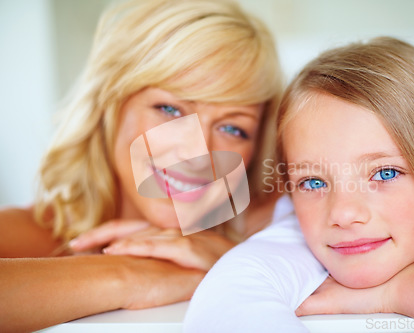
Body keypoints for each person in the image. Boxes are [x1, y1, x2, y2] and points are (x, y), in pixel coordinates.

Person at [184, 37, 414, 333]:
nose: (344, 213)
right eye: (313, 181)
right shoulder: (297, 224)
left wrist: (400, 290)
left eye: (385, 173)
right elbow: (231, 292)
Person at [0, 0, 283, 331]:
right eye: (169, 109)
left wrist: (236, 264)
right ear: (112, 104)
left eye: (233, 129)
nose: (198, 150)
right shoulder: (29, 232)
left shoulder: (273, 234)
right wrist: (132, 274)